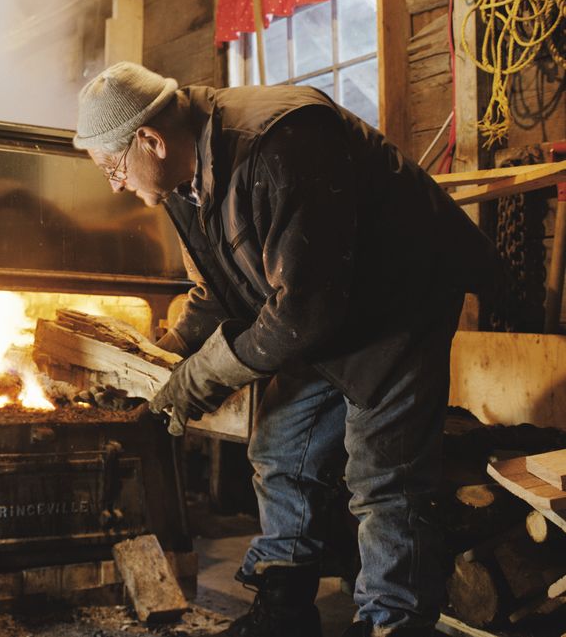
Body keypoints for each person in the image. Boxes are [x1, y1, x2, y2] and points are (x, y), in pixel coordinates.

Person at [73, 62, 499, 637]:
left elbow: (304, 311)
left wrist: (204, 377)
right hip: (323, 303)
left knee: (384, 476)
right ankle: (284, 607)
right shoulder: (178, 178)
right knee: (279, 445)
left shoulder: (282, 141)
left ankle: (392, 623)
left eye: (112, 167)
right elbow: (220, 287)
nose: (114, 184)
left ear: (149, 138)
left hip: (398, 301)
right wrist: (169, 353)